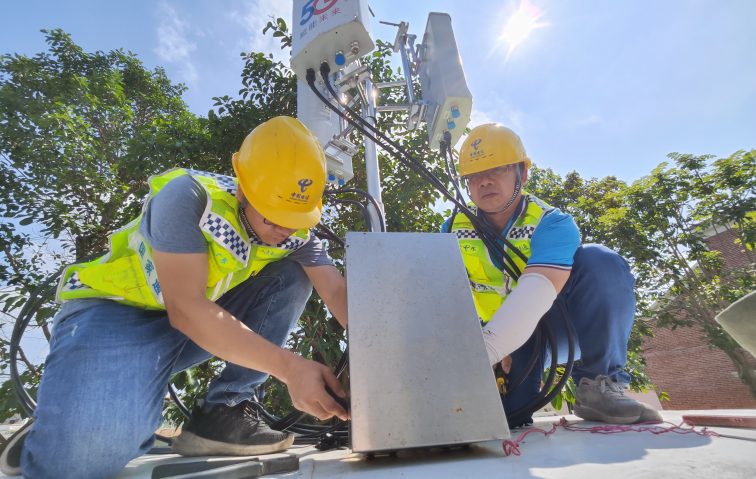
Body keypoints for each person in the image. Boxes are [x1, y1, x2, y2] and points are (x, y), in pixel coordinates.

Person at [9, 117, 349, 479]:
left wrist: (383, 354)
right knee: (86, 457)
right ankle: (61, 424)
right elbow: (186, 309)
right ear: (242, 190)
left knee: (292, 276)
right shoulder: (189, 198)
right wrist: (290, 368)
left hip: (189, 327)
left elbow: (336, 290)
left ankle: (224, 411)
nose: (285, 229)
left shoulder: (297, 236)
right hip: (115, 316)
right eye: (273, 215)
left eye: (295, 218)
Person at [441, 123, 662, 428]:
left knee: (600, 261)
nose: (485, 182)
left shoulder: (551, 222)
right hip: (500, 337)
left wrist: (484, 350)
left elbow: (537, 291)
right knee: (505, 417)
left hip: (555, 327)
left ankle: (599, 385)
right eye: (474, 175)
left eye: (498, 170)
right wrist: (479, 348)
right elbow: (445, 299)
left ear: (523, 174)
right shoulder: (452, 229)